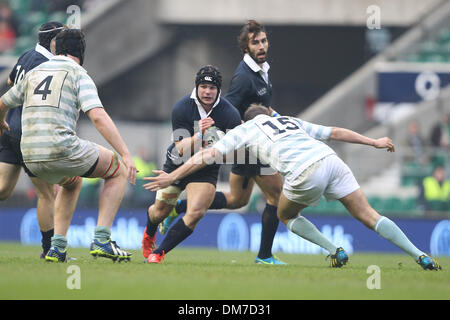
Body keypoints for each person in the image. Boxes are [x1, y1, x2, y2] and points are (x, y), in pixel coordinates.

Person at [145, 104, 442, 271]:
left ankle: (333, 250)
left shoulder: (246, 130)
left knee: (285, 215)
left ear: (248, 121)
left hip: (305, 171)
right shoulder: (288, 119)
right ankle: (421, 255)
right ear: (269, 114)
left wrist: (172, 178)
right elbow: (334, 132)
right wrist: (374, 141)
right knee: (369, 215)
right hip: (331, 160)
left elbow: (204, 156)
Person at [0, 28, 137, 263]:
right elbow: (97, 116)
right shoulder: (78, 72)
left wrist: (2, 122)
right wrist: (125, 154)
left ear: (56, 49)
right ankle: (103, 240)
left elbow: (2, 101)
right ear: (81, 51)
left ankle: (57, 247)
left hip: (29, 153)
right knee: (118, 171)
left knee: (72, 182)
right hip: (59, 147)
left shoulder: (36, 71)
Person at [162, 20, 286, 265]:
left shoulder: (261, 72)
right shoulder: (244, 78)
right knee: (277, 195)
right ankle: (265, 256)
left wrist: (275, 117)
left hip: (248, 147)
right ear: (246, 48)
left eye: (264, 41)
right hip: (249, 150)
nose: (261, 46)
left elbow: (259, 108)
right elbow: (227, 107)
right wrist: (229, 137)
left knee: (237, 200)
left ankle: (179, 206)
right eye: (255, 42)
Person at [141, 65, 241, 263]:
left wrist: (219, 147)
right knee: (159, 212)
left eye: (212, 88)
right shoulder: (182, 107)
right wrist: (201, 135)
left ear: (219, 90)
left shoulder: (230, 114)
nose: (207, 91)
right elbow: (180, 149)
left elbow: (234, 154)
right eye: (203, 86)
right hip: (177, 163)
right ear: (197, 87)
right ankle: (149, 234)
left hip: (206, 169)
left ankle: (158, 253)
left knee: (196, 212)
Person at [0, 22, 64, 258]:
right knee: (47, 194)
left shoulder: (28, 55)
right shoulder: (50, 65)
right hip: (28, 130)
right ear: (55, 41)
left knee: (3, 189)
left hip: (9, 126)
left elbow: (9, 84)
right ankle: (50, 251)